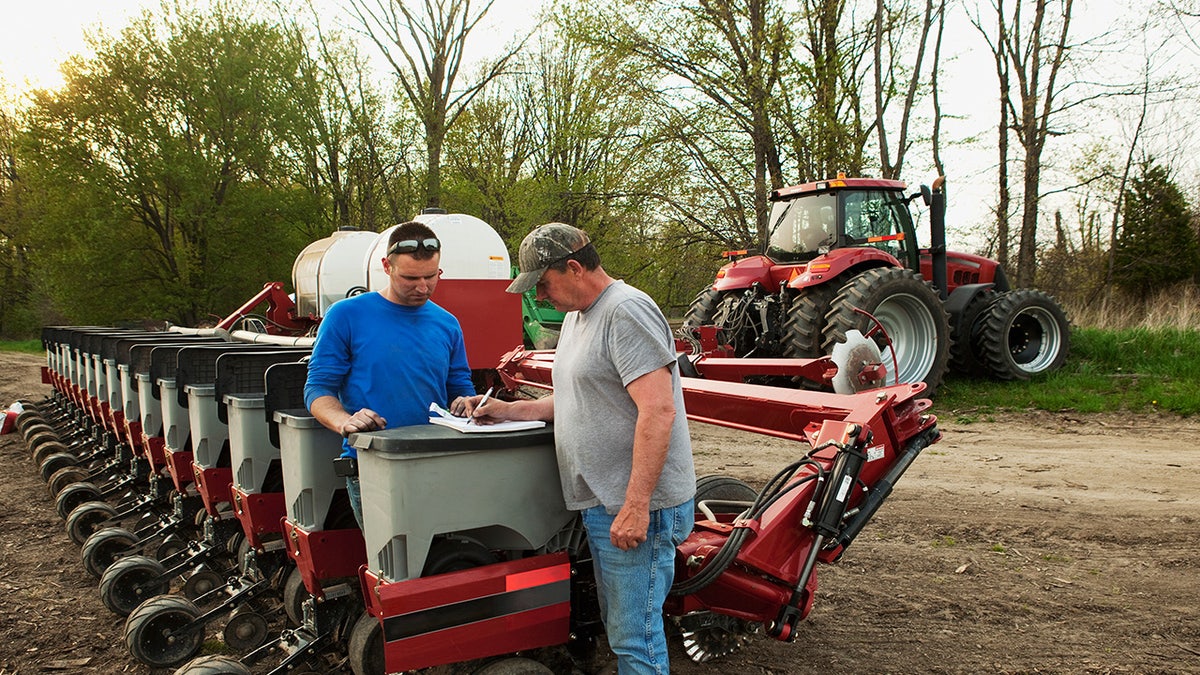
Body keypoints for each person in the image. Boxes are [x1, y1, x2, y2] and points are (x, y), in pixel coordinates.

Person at [458, 222, 696, 674]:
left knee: (636, 639)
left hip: (633, 506)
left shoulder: (626, 311)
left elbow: (658, 411)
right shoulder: (576, 318)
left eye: (543, 285)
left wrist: (637, 505)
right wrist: (503, 410)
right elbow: (573, 400)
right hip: (604, 503)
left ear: (573, 268)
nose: (540, 297)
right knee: (624, 629)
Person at [304, 221, 477, 528]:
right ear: (387, 266)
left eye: (431, 277)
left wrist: (466, 401)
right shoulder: (346, 315)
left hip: (438, 461)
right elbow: (318, 390)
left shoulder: (447, 323)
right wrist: (345, 421)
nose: (422, 287)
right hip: (372, 466)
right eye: (410, 278)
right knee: (392, 566)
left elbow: (459, 384)